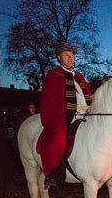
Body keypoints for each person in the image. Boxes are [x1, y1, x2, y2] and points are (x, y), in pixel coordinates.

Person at [39, 42, 93, 187]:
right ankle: (54, 171)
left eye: (72, 55)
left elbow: (88, 96)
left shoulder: (80, 77)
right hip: (65, 117)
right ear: (58, 57)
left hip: (85, 114)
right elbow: (49, 100)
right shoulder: (53, 75)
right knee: (59, 138)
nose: (70, 58)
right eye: (66, 55)